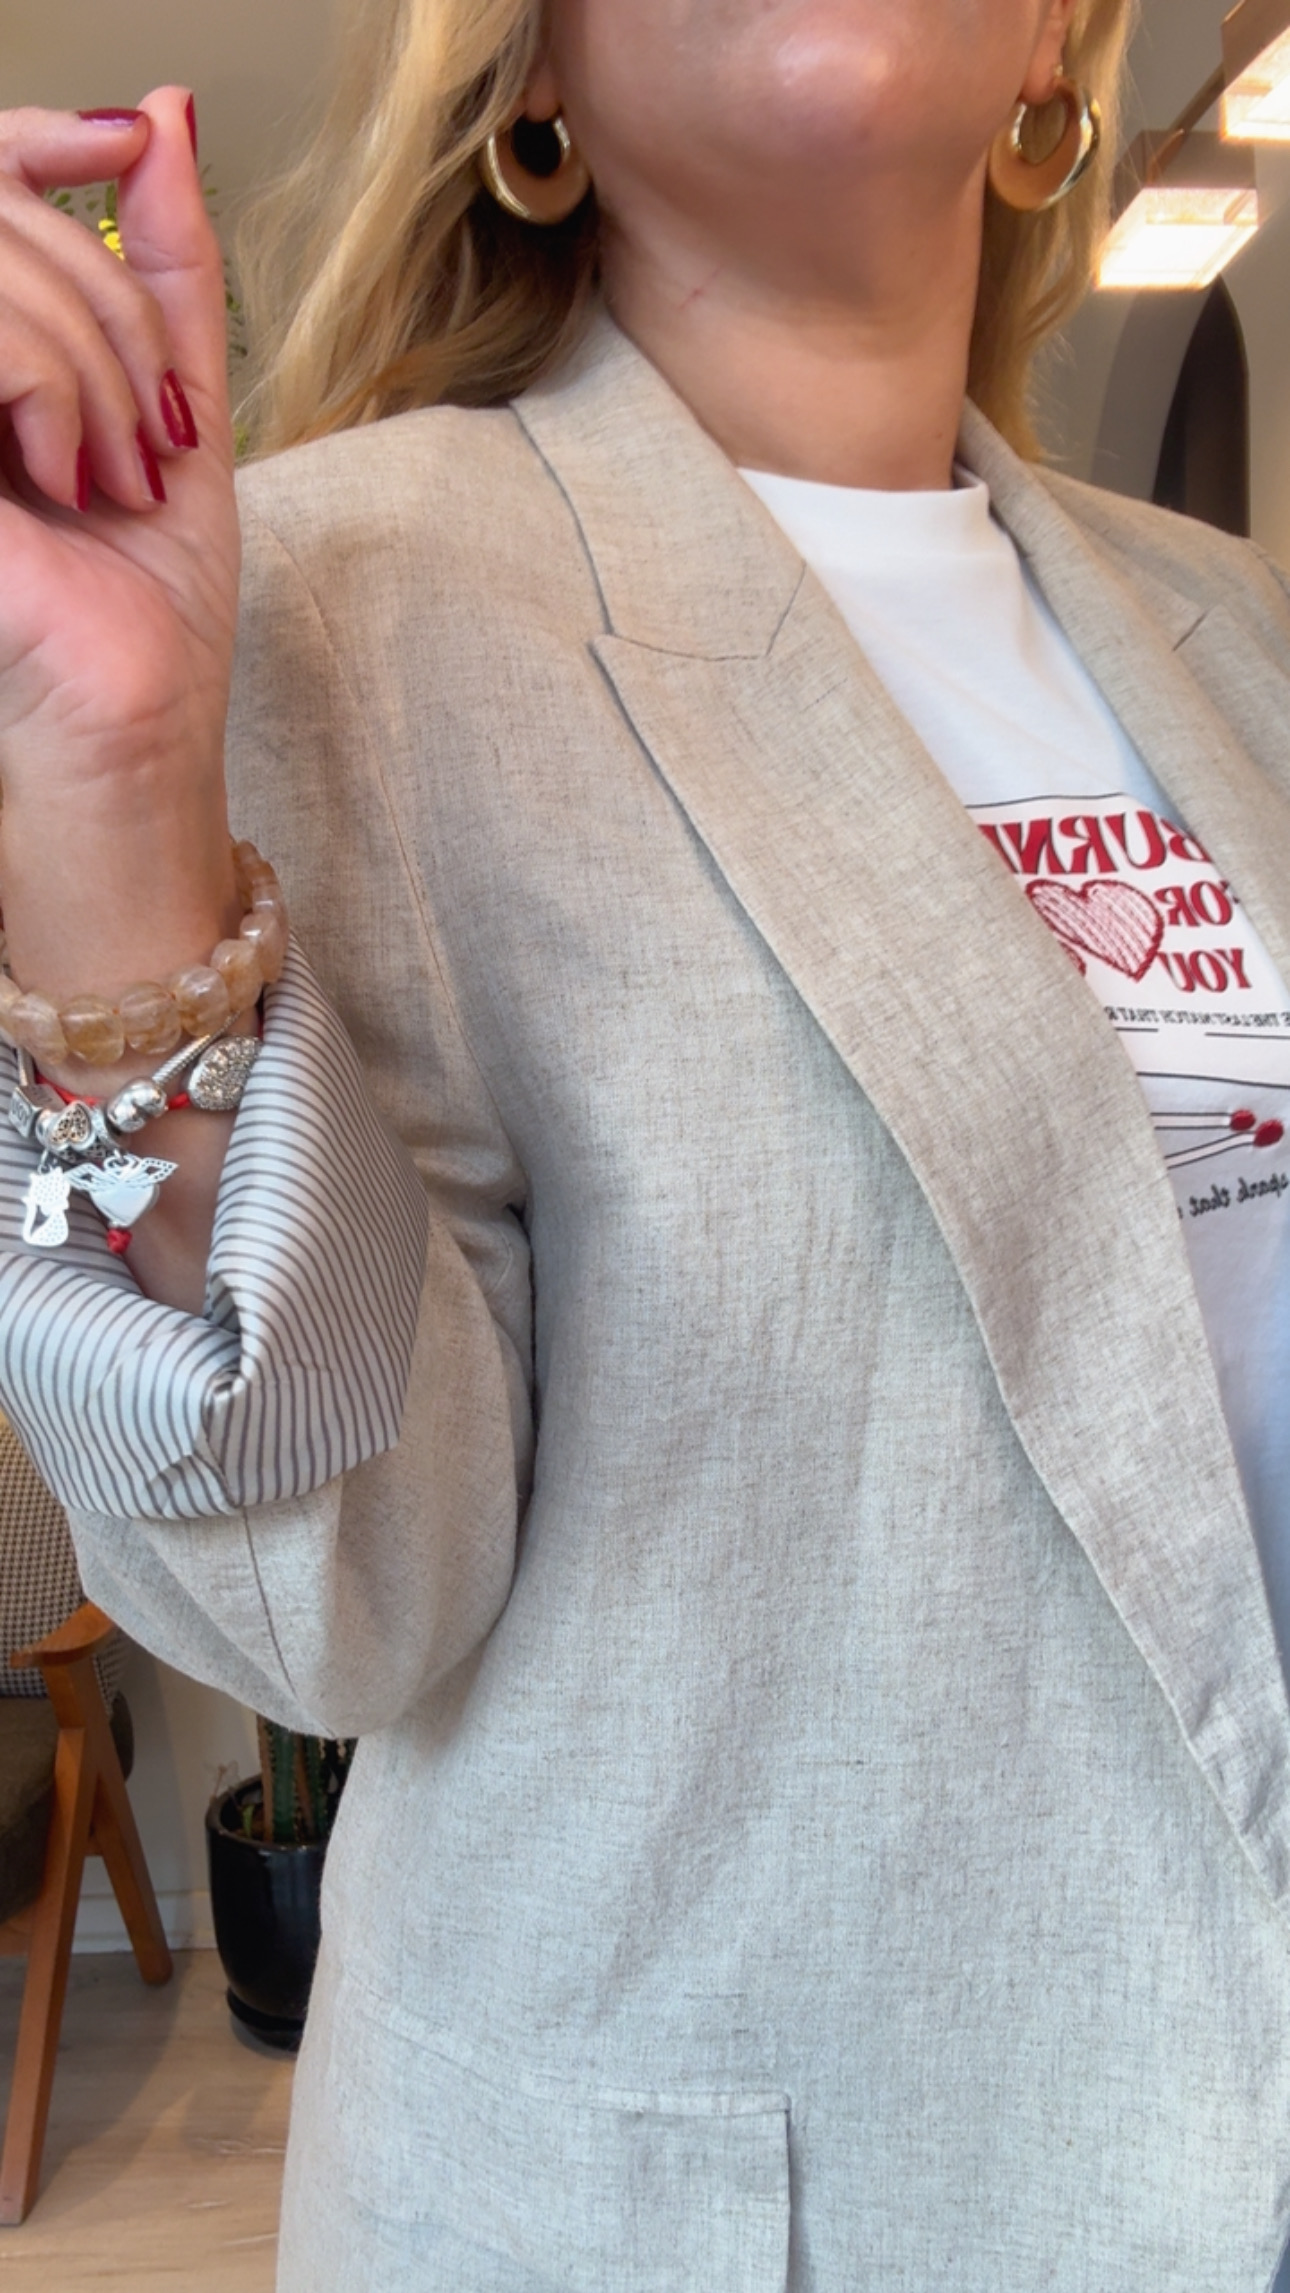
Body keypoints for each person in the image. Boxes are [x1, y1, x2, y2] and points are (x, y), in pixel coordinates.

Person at [3, 0, 1290, 2283]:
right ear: (529, 81)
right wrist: (108, 813)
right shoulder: (331, 594)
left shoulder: (1235, 632)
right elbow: (326, 1606)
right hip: (762, 2215)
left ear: (1052, 48)